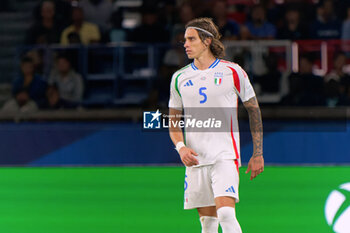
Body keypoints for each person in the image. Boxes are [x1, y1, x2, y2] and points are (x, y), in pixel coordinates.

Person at [168, 18, 264, 233]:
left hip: (224, 156)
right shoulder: (179, 78)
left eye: (191, 39)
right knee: (208, 225)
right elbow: (173, 122)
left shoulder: (233, 72)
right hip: (196, 161)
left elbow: (254, 110)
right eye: (185, 39)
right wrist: (181, 148)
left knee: (226, 214)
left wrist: (258, 153)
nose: (185, 44)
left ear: (207, 41)